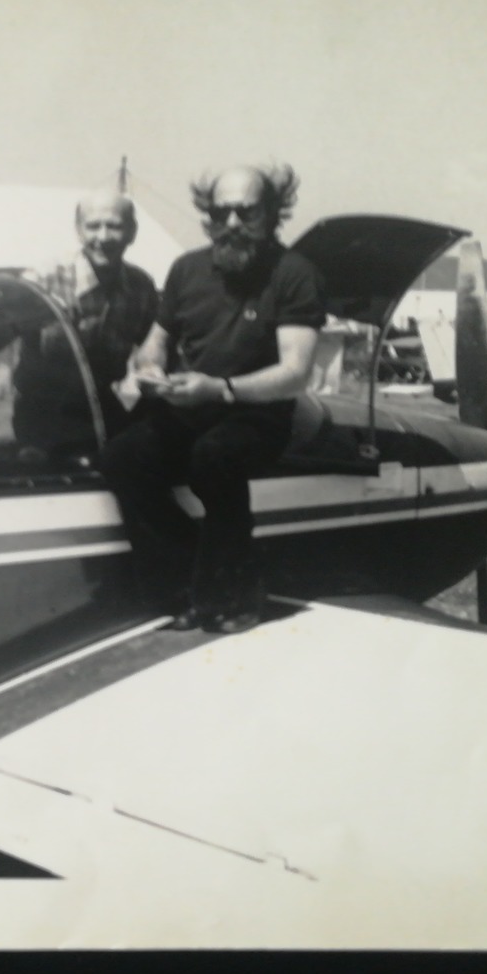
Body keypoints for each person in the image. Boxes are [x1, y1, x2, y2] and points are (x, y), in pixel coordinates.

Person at [100, 165, 325, 634]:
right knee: (124, 456)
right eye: (221, 211)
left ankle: (234, 595)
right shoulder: (186, 269)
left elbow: (294, 372)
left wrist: (220, 389)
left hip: (258, 414)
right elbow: (157, 340)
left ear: (272, 213)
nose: (233, 223)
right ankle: (183, 585)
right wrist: (150, 367)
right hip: (191, 403)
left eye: (247, 212)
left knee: (214, 456)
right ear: (208, 214)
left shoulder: (295, 275)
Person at [0, 191, 158, 463]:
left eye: (114, 226)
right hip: (41, 411)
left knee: (141, 462)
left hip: (100, 404)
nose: (103, 238)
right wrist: (13, 311)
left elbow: (155, 350)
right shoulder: (44, 277)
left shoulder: (141, 287)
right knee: (45, 477)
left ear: (132, 232)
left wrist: (152, 373)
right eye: (93, 226)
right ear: (79, 231)